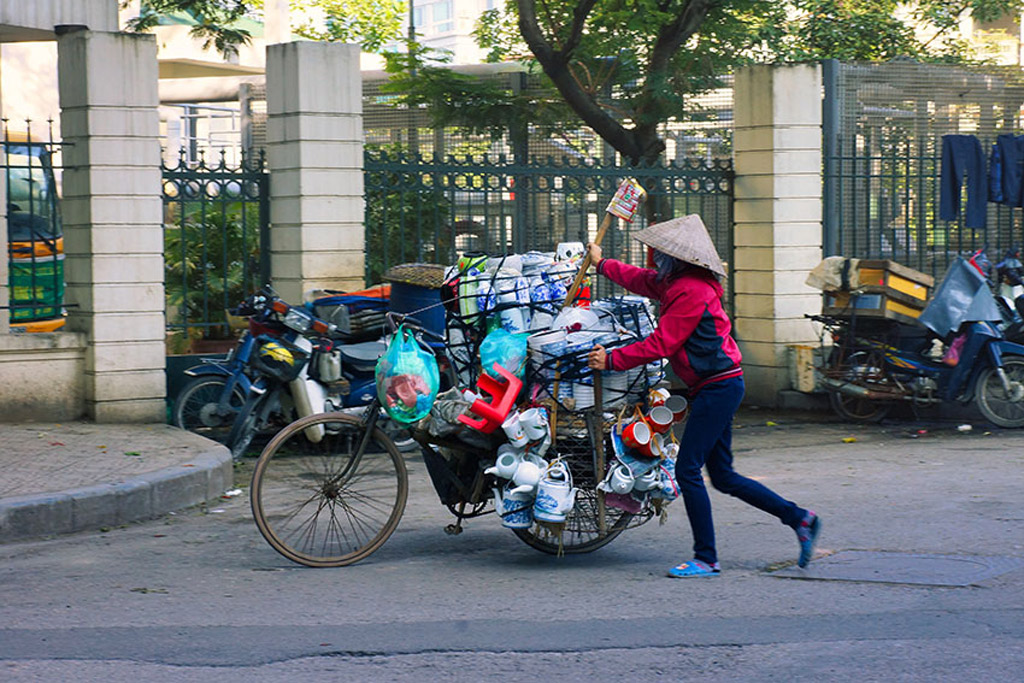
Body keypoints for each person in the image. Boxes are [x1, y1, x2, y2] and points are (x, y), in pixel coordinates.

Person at [586, 214, 820, 578]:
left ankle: (707, 558)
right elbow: (643, 280)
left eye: (658, 252)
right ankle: (799, 518)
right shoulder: (677, 282)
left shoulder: (690, 289)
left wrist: (612, 359)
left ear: (675, 256)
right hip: (716, 385)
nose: (653, 258)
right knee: (723, 476)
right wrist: (603, 264)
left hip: (718, 386)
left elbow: (664, 342)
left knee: (687, 469)